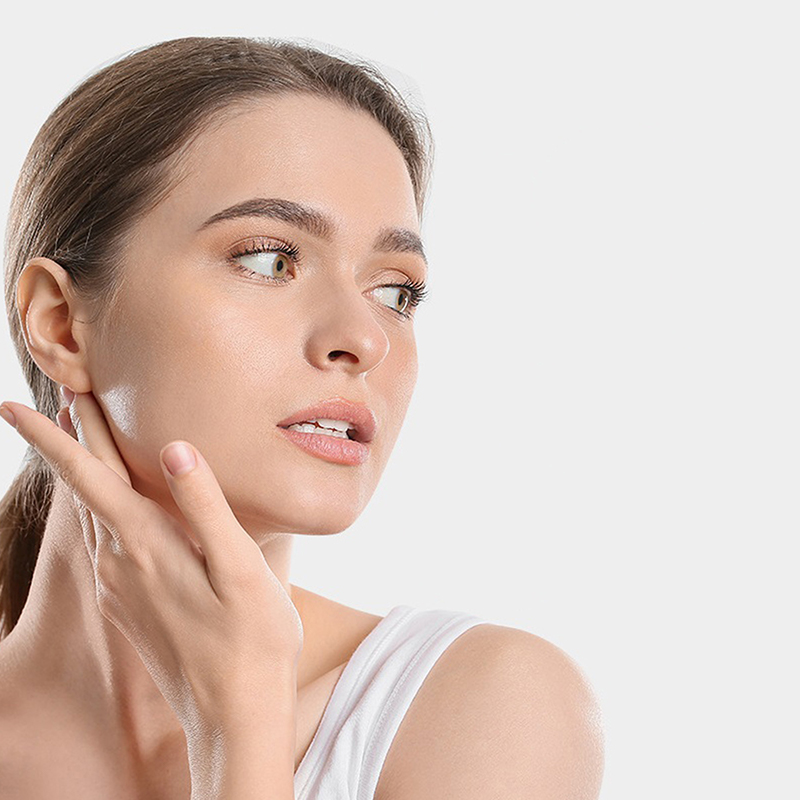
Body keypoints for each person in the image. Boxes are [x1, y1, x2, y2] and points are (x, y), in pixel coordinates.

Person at [0, 36, 603, 799]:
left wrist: (240, 718)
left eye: (395, 292)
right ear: (60, 324)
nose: (364, 338)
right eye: (269, 259)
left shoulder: (483, 707)